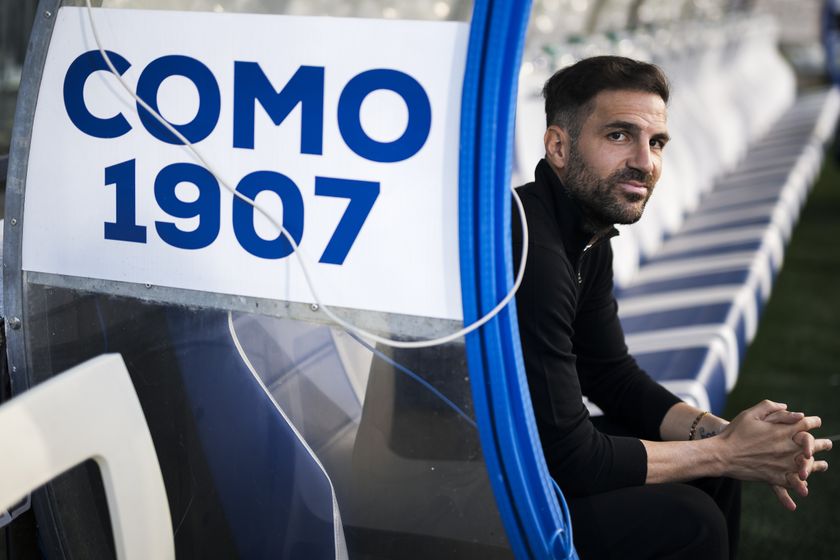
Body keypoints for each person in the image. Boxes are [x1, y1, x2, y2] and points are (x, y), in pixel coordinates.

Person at [512, 56, 832, 559]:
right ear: (558, 145)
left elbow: (610, 375)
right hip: (460, 485)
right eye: (619, 136)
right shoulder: (531, 242)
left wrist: (730, 438)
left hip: (515, 458)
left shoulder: (586, 235)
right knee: (690, 519)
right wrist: (725, 452)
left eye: (656, 142)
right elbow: (571, 458)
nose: (645, 161)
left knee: (713, 478)